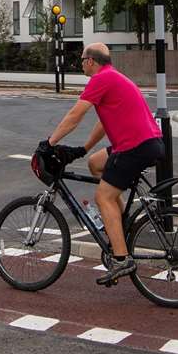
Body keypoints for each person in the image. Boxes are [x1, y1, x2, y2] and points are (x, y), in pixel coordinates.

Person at [46, 43, 164, 286]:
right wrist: (83, 149)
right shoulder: (114, 77)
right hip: (146, 142)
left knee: (104, 197)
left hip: (135, 146)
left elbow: (74, 116)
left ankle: (121, 258)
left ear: (91, 61)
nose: (80, 64)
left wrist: (50, 142)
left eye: (81, 60)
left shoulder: (101, 79)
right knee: (95, 163)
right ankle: (119, 226)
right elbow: (103, 122)